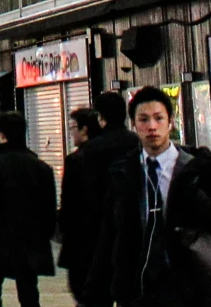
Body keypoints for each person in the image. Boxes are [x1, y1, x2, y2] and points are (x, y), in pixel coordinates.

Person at [83, 86, 211, 307]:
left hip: (189, 292)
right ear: (134, 125)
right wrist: (92, 296)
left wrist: (197, 200)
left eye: (158, 118)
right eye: (143, 119)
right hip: (137, 292)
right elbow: (109, 236)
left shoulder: (197, 167)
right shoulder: (123, 172)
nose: (152, 126)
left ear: (170, 122)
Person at [0, 111, 58, 307]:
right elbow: (49, 211)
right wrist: (43, 236)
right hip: (29, 242)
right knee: (29, 290)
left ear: (1, 135)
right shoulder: (42, 168)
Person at [62, 90, 137, 298]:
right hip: (134, 237)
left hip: (92, 240)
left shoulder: (87, 154)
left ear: (101, 118)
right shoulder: (137, 144)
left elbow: (73, 204)